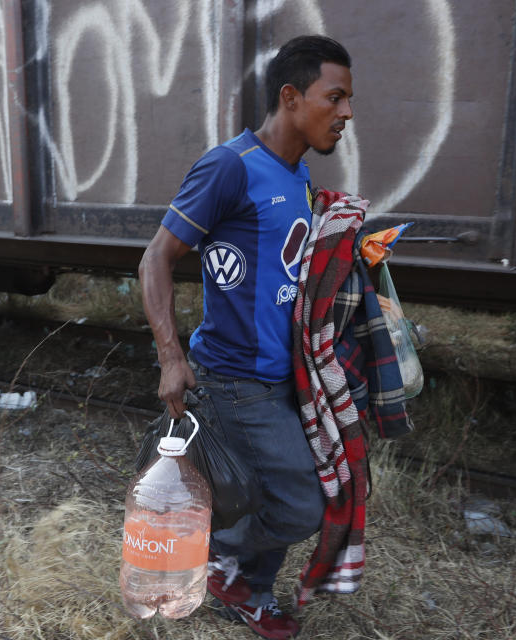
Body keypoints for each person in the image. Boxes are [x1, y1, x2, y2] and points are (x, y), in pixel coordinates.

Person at [138, 35, 353, 640]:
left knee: (278, 493)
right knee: (302, 507)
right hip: (238, 381)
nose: (347, 113)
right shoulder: (230, 166)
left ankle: (245, 589)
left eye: (348, 99)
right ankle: (217, 559)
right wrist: (170, 358)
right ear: (291, 97)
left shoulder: (297, 173)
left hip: (287, 376)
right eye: (333, 98)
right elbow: (155, 258)